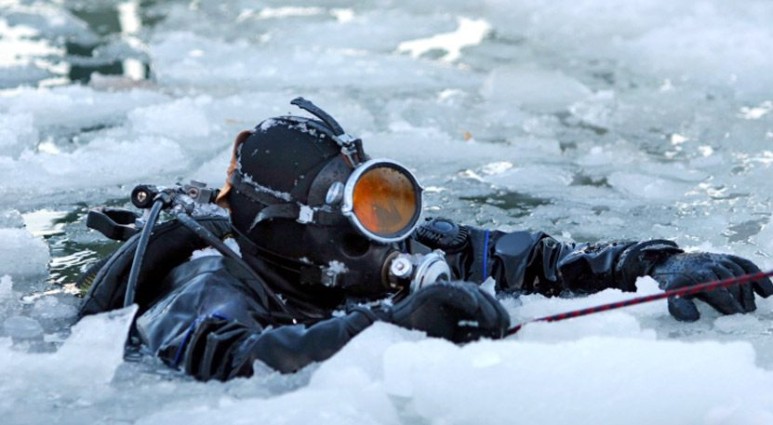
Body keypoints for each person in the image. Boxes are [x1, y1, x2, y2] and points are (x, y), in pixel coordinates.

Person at [77, 98, 773, 382]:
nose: (380, 229)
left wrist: (658, 261)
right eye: (358, 208)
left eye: (383, 200)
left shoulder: (382, 246)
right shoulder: (204, 284)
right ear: (290, 227)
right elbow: (236, 361)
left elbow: (536, 260)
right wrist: (392, 324)